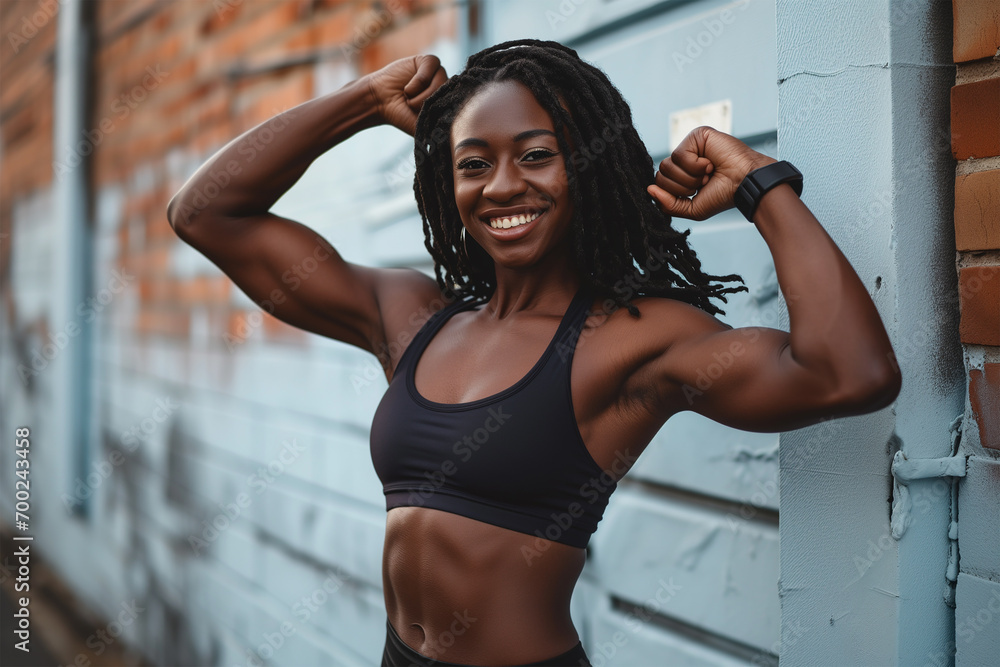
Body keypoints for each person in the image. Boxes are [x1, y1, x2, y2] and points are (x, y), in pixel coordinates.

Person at [167, 38, 901, 667]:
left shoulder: (635, 337)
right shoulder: (412, 318)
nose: (503, 185)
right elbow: (205, 213)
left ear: (585, 167)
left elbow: (849, 373)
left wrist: (761, 186)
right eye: (473, 163)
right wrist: (363, 100)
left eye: (537, 156)